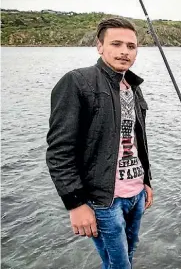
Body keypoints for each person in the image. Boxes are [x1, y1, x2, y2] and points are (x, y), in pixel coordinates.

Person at [46, 17, 153, 269]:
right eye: (116, 44)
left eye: (131, 46)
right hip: (104, 200)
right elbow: (59, 150)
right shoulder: (77, 82)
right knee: (119, 265)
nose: (124, 51)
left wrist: (146, 181)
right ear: (100, 46)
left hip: (135, 193)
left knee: (128, 256)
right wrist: (75, 203)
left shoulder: (133, 87)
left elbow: (137, 140)